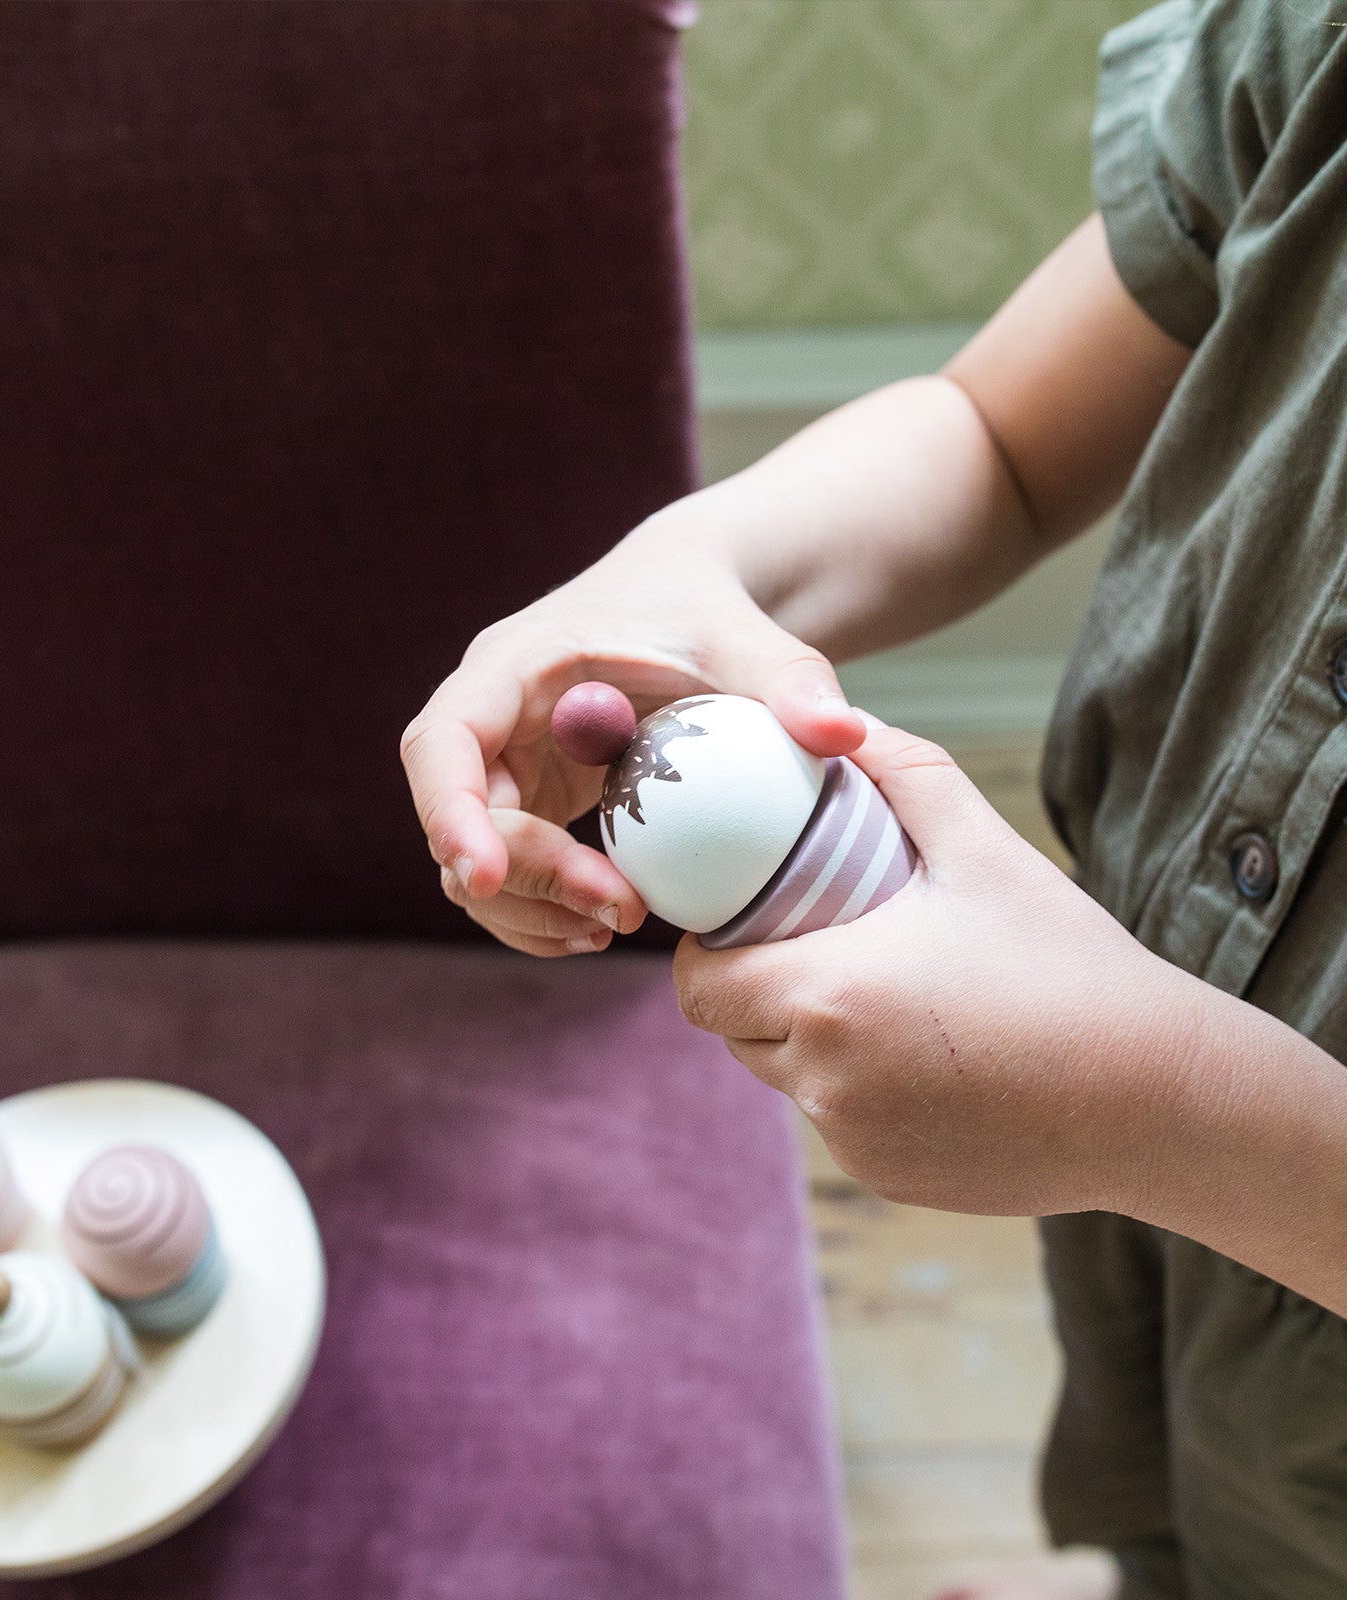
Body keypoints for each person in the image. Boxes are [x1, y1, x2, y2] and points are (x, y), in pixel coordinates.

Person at [401, 3, 1347, 1596]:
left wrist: (1173, 1115)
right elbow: (1000, 439)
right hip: (1150, 1243)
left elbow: (1175, 1131)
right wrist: (697, 567)